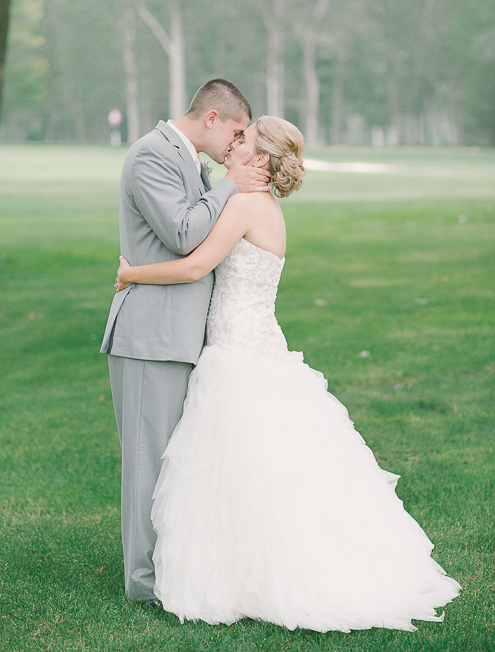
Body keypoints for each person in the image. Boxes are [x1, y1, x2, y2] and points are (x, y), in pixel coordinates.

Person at [114, 115, 461, 633]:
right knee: (256, 467)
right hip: (256, 345)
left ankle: (254, 576)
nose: (232, 145)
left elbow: (192, 265)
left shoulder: (246, 204)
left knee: (239, 468)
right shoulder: (263, 206)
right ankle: (248, 567)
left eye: (243, 140)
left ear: (258, 159)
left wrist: (130, 273)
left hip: (236, 351)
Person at [100, 79, 270, 602]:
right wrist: (228, 185)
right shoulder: (150, 154)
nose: (237, 147)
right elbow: (180, 232)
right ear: (213, 118)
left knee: (175, 462)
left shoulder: (190, 162)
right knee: (148, 463)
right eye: (237, 132)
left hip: (181, 335)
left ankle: (171, 568)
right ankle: (144, 585)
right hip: (151, 333)